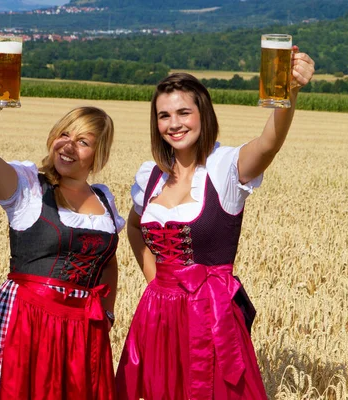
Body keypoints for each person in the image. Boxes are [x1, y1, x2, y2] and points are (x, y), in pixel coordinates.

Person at [116, 49, 315, 400]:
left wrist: (289, 95)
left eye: (183, 112)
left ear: (203, 115)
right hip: (158, 314)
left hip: (211, 316)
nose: (174, 124)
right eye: (164, 116)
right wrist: (155, 280)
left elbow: (269, 144)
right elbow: (134, 228)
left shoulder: (224, 167)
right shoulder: (150, 177)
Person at [0, 53, 125, 400]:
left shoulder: (105, 200)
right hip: (27, 323)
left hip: (83, 332)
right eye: (64, 134)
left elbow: (109, 262)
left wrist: (107, 312)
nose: (68, 145)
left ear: (99, 154)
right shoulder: (28, 188)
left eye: (83, 142)